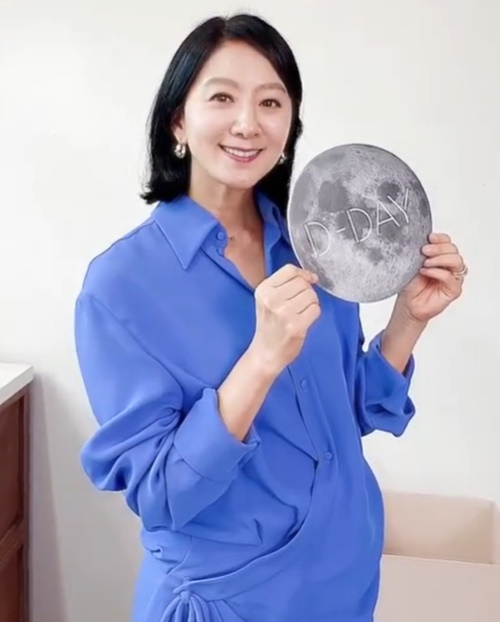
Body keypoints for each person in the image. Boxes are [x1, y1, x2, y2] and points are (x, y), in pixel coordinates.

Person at [73, 12, 467, 622]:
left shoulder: (318, 244)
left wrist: (408, 321)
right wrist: (261, 359)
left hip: (346, 584)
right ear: (178, 120)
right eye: (222, 97)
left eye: (270, 102)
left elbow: (346, 415)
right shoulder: (121, 287)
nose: (247, 123)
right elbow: (162, 493)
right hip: (230, 602)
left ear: (289, 128)